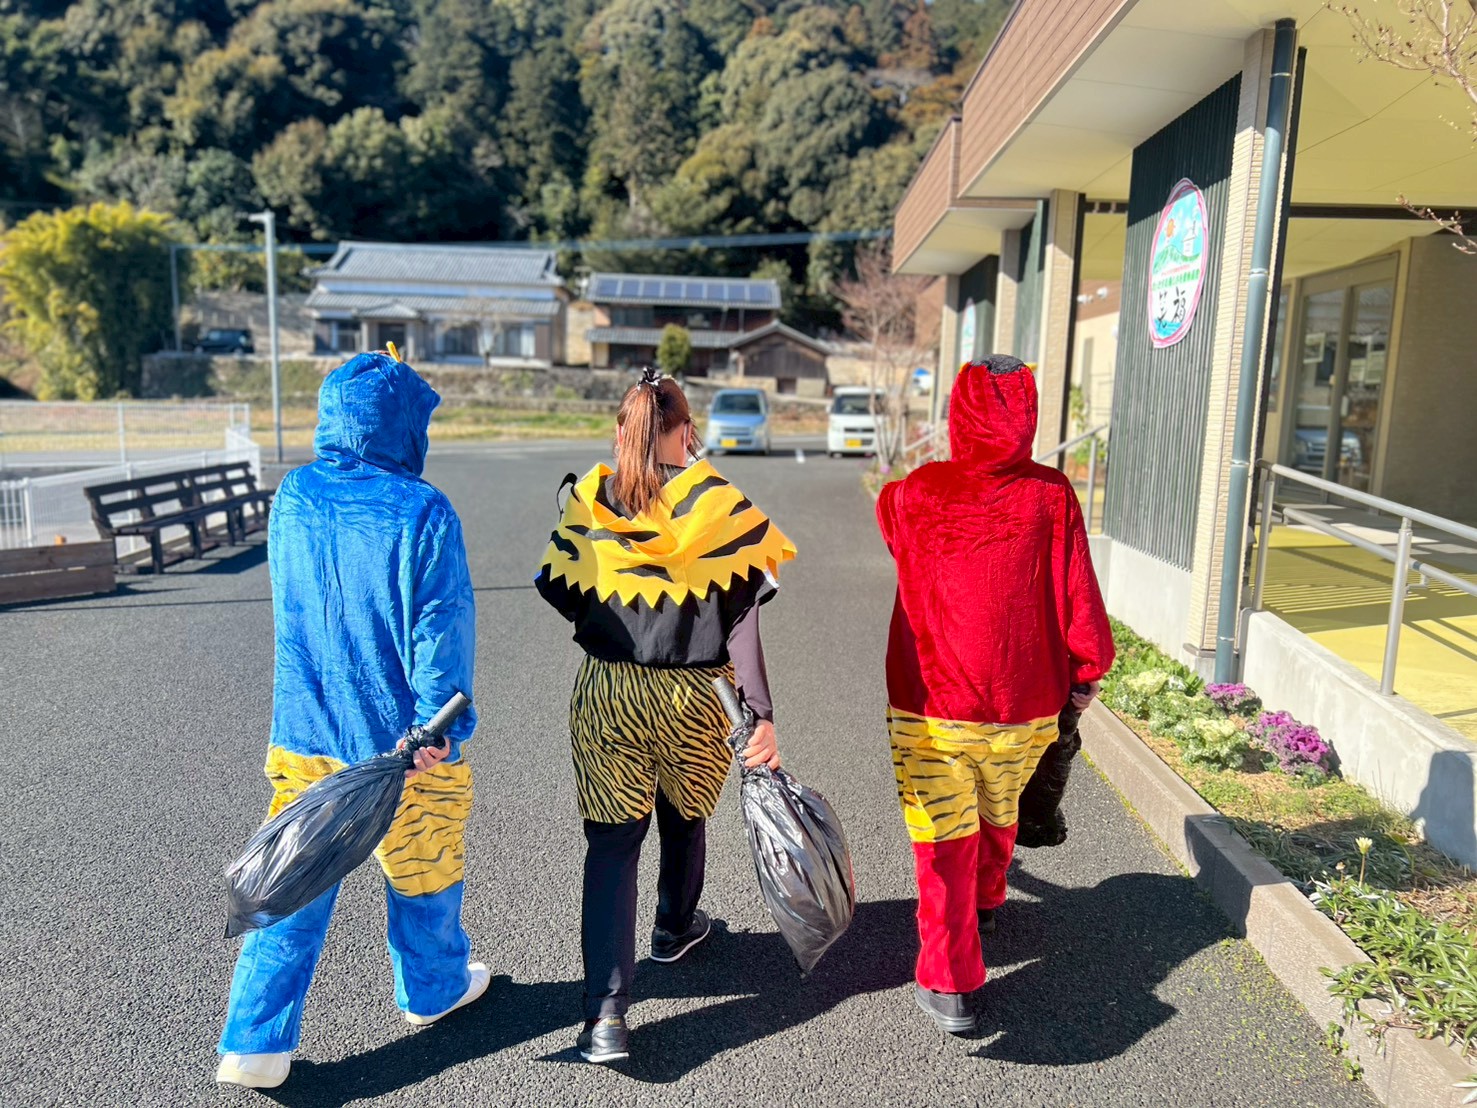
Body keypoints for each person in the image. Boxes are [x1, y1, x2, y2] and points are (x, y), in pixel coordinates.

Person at [217, 349, 485, 1089]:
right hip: (401, 747)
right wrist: (439, 726)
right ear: (403, 425)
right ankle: (432, 988)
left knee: (296, 872)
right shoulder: (423, 508)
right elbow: (441, 626)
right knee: (425, 866)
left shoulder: (294, 495)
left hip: (304, 730)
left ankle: (253, 1042)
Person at [535, 367, 795, 1065]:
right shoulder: (719, 504)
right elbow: (741, 618)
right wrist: (760, 714)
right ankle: (674, 926)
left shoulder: (591, 501)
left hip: (609, 690)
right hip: (697, 694)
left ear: (621, 432)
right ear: (686, 431)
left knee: (611, 846)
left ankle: (605, 1019)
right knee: (685, 814)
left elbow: (557, 589)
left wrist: (615, 614)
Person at [876, 354, 1114, 1036]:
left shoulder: (914, 494)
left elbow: (891, 524)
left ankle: (948, 979)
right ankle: (988, 894)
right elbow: (1077, 590)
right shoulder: (1051, 495)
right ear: (1028, 414)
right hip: (1024, 700)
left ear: (958, 411)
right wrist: (1087, 669)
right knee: (999, 806)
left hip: (930, 701)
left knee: (940, 837)